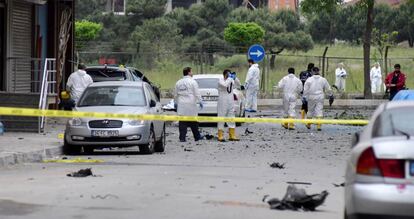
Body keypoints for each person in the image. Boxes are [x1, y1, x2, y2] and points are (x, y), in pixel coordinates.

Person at [174, 67, 204, 142]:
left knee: (182, 122)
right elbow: (197, 93)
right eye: (191, 71)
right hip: (191, 103)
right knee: (193, 121)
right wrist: (200, 101)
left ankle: (182, 138)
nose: (192, 73)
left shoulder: (178, 82)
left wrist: (175, 103)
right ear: (189, 72)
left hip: (181, 104)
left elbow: (175, 94)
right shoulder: (193, 82)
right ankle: (197, 137)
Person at [303, 67, 334, 131]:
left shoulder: (309, 79)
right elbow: (328, 88)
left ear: (312, 71)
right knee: (319, 110)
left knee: (310, 110)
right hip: (320, 96)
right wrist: (331, 95)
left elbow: (305, 90)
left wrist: (304, 97)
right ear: (318, 71)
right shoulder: (323, 79)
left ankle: (308, 124)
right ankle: (319, 126)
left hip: (311, 96)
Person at [217, 69, 240, 141]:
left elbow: (238, 85)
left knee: (231, 118)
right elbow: (225, 85)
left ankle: (232, 135)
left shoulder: (231, 80)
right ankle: (220, 135)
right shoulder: (220, 80)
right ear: (224, 75)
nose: (229, 76)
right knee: (221, 117)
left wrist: (235, 78)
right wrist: (230, 78)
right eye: (228, 74)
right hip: (222, 101)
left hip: (230, 101)